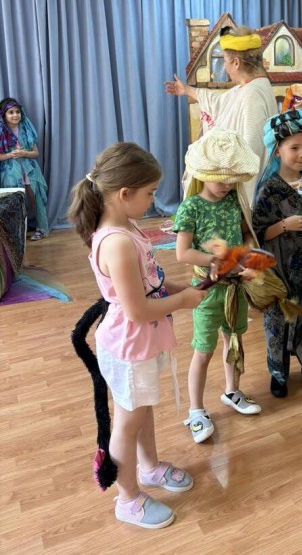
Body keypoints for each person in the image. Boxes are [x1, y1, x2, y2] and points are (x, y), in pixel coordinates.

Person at [68, 142, 205, 529]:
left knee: (141, 410)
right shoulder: (116, 242)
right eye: (150, 193)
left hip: (141, 342)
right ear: (125, 194)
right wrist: (184, 302)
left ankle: (149, 466)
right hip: (130, 346)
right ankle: (127, 499)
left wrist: (180, 288)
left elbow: (150, 283)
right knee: (127, 424)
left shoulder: (127, 226)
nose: (153, 200)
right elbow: (138, 310)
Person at [173, 128, 262, 444]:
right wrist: (217, 260)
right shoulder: (191, 207)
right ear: (204, 173)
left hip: (235, 289)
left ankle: (232, 391)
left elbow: (246, 234)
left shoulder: (235, 200)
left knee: (234, 341)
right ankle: (196, 410)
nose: (227, 185)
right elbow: (183, 253)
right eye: (221, 179)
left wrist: (246, 256)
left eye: (232, 179)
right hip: (207, 293)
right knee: (203, 351)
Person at [252, 109, 302, 398]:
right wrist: (283, 226)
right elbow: (258, 232)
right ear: (277, 150)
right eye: (294, 148)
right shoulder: (269, 189)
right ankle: (279, 372)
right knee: (280, 318)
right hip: (281, 269)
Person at [165, 25, 278, 205]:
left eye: (225, 60)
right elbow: (218, 102)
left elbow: (251, 149)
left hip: (245, 188)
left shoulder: (252, 93)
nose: (224, 66)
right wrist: (186, 90)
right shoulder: (252, 86)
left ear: (236, 63)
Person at [0, 97, 48, 240]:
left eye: (17, 112)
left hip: (29, 170)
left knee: (35, 198)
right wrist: (10, 155)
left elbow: (36, 153)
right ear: (3, 115)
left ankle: (41, 228)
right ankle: (15, 232)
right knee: (13, 202)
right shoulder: (1, 132)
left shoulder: (26, 129)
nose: (15, 115)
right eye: (11, 112)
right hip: (10, 172)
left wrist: (24, 153)